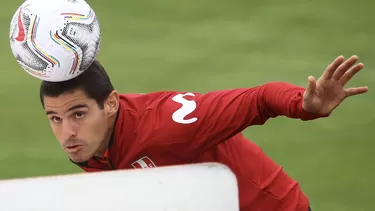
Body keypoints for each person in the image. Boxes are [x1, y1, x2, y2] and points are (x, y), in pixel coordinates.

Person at [39, 55, 367, 211]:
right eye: (54, 118)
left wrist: (304, 104)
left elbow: (260, 98)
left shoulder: (169, 124)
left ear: (110, 104)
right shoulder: (90, 146)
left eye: (77, 114)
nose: (67, 132)